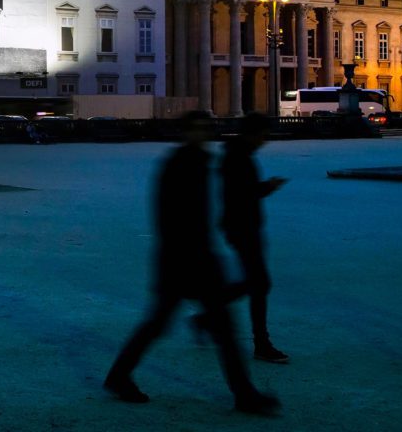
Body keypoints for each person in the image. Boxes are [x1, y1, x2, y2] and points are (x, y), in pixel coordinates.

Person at [104, 111, 280, 415]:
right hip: (183, 260)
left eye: (206, 128)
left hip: (194, 258)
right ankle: (119, 376)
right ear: (185, 132)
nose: (203, 133)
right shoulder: (179, 164)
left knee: (210, 328)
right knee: (163, 325)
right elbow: (168, 218)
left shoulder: (200, 162)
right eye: (197, 128)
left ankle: (244, 394)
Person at [215, 112, 290, 363]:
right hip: (242, 228)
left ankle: (208, 317)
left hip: (243, 227)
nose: (264, 141)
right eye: (263, 135)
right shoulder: (238, 157)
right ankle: (261, 343)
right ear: (252, 134)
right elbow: (241, 194)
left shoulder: (238, 154)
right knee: (259, 285)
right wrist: (267, 186)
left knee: (256, 283)